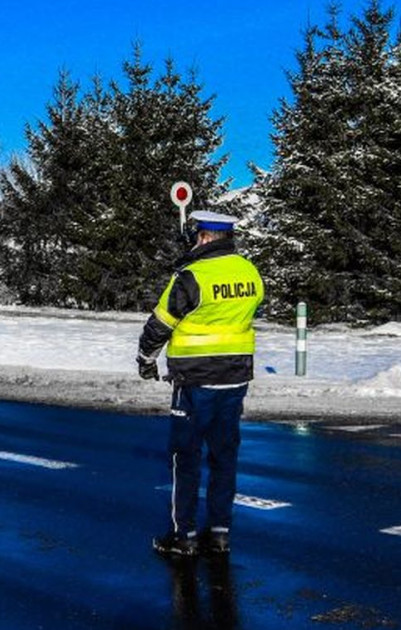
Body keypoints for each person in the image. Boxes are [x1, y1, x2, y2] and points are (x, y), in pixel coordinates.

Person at [137, 210, 264, 558]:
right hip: (236, 378)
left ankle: (184, 535)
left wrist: (146, 359)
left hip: (194, 380)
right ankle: (220, 533)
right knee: (224, 455)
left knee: (186, 457)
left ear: (206, 237)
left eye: (197, 235)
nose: (194, 240)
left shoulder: (193, 275)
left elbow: (161, 322)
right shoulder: (249, 272)